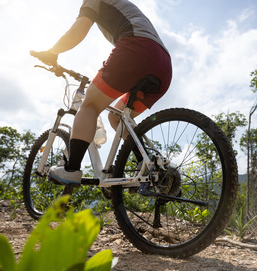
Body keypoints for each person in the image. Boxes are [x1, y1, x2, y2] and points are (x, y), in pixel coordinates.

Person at [33, 0, 172, 186]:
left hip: (137, 49)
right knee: (117, 117)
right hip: (163, 64)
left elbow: (80, 29)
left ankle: (71, 169)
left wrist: (52, 53)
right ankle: (145, 162)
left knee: (89, 105)